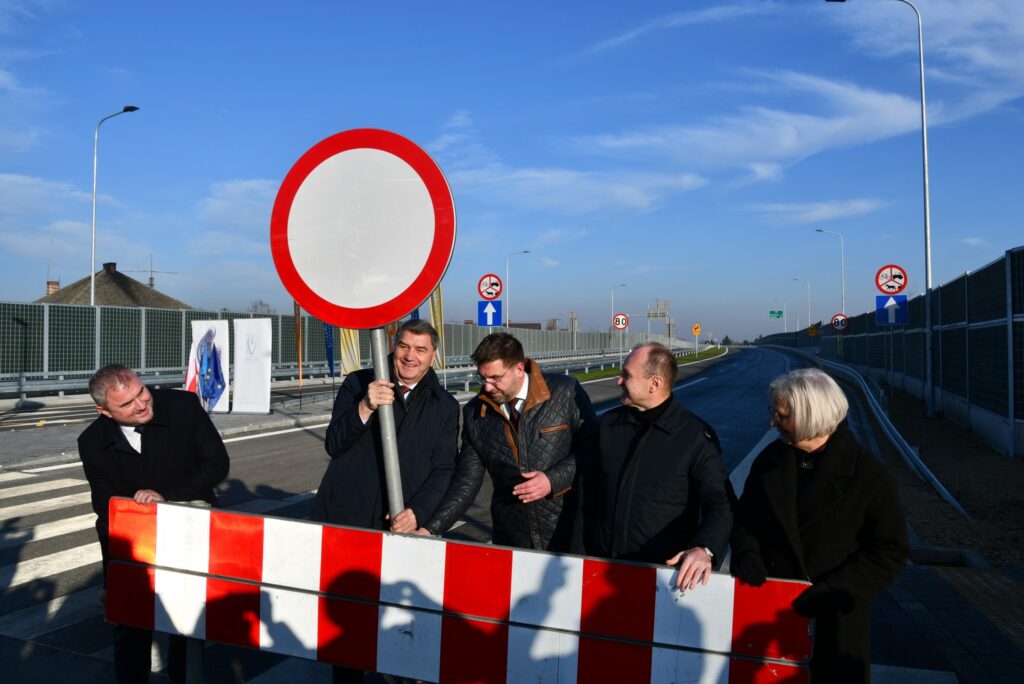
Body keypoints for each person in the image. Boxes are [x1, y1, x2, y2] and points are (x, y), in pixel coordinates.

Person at [730, 368, 908, 683]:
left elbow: (889, 552)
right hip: (770, 611)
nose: (773, 422)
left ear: (812, 416)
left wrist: (834, 590)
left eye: (781, 416)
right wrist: (746, 551)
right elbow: (746, 518)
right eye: (773, 412)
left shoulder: (868, 476)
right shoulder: (770, 461)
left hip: (835, 622)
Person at [310, 319, 458, 684]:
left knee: (399, 619)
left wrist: (417, 513)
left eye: (421, 350)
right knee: (347, 619)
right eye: (405, 347)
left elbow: (442, 471)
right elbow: (334, 443)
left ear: (433, 356)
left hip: (398, 526)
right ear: (393, 346)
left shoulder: (444, 406)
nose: (410, 357)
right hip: (348, 519)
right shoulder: (358, 383)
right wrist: (365, 407)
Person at [78, 364, 230, 684]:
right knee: (130, 630)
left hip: (189, 534)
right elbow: (107, 514)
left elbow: (216, 463)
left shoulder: (183, 407)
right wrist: (112, 581)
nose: (142, 404)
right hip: (137, 547)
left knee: (186, 627)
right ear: (104, 411)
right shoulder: (92, 442)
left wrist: (167, 496)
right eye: (127, 404)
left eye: (142, 392)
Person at [418, 332, 597, 551]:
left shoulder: (565, 391)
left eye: (495, 378)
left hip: (567, 528)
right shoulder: (476, 412)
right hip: (512, 536)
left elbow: (593, 447)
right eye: (482, 378)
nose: (487, 387)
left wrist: (552, 480)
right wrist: (430, 529)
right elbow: (466, 481)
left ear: (519, 369)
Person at [578, 343, 732, 592]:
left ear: (655, 383)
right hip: (600, 571)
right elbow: (584, 497)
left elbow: (720, 503)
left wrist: (704, 549)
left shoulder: (693, 437)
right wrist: (576, 558)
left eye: (626, 375)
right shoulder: (606, 426)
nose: (618, 381)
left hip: (664, 580)